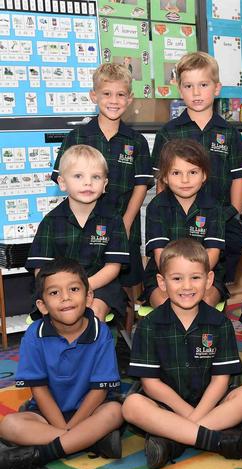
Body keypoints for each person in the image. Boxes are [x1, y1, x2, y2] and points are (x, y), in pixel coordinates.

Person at [123, 239, 242, 469]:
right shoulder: (149, 325)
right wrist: (188, 414)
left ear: (209, 280)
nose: (186, 286)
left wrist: (194, 418)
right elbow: (150, 385)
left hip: (213, 405)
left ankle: (174, 442)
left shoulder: (220, 323)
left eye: (195, 278)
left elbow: (221, 381)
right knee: (132, 405)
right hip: (167, 408)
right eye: (177, 278)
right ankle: (218, 441)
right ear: (162, 282)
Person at [51, 62, 153, 327]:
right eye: (107, 94)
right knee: (84, 278)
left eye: (121, 94)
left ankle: (127, 340)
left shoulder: (136, 141)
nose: (114, 100)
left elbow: (141, 185)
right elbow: (64, 178)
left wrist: (127, 222)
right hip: (84, 228)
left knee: (129, 284)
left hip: (124, 223)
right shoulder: (77, 136)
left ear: (129, 99)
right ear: (94, 96)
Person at [0, 258, 123, 469]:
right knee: (9, 424)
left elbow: (100, 390)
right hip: (47, 414)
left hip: (90, 411)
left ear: (88, 297)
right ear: (42, 306)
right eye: (54, 293)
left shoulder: (100, 331)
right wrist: (67, 431)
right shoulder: (33, 335)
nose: (65, 297)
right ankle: (90, 442)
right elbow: (39, 388)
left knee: (116, 412)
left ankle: (46, 451)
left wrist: (74, 425)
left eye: (74, 289)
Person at [151, 52, 242, 285]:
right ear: (179, 89)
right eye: (189, 86)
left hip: (221, 220)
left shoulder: (229, 133)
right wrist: (163, 212)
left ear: (217, 88)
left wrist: (234, 216)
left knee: (217, 276)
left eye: (203, 85)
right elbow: (161, 180)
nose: (196, 93)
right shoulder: (168, 132)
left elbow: (238, 177)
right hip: (178, 220)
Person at [26, 145, 130, 321]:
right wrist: (65, 290)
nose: (88, 182)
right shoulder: (50, 221)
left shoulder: (113, 220)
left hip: (99, 285)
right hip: (58, 287)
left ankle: (95, 348)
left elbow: (113, 267)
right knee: (61, 313)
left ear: (105, 184)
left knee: (94, 313)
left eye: (95, 177)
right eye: (78, 176)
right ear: (62, 183)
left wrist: (82, 288)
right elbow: (40, 270)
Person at [143, 139, 226, 307]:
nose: (185, 180)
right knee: (165, 303)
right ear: (164, 177)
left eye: (193, 172)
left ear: (204, 175)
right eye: (176, 173)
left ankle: (205, 333)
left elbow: (213, 253)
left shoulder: (214, 207)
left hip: (206, 274)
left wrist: (195, 279)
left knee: (204, 302)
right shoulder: (156, 207)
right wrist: (176, 281)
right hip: (164, 274)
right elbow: (160, 255)